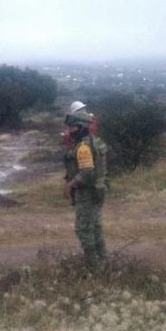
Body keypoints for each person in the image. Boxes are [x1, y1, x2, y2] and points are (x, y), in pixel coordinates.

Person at [63, 107, 109, 269]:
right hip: (97, 191)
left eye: (73, 127)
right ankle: (103, 261)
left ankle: (93, 267)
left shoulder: (83, 147)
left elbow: (87, 173)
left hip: (87, 193)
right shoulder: (94, 141)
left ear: (82, 127)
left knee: (84, 230)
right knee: (95, 228)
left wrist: (70, 185)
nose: (70, 130)